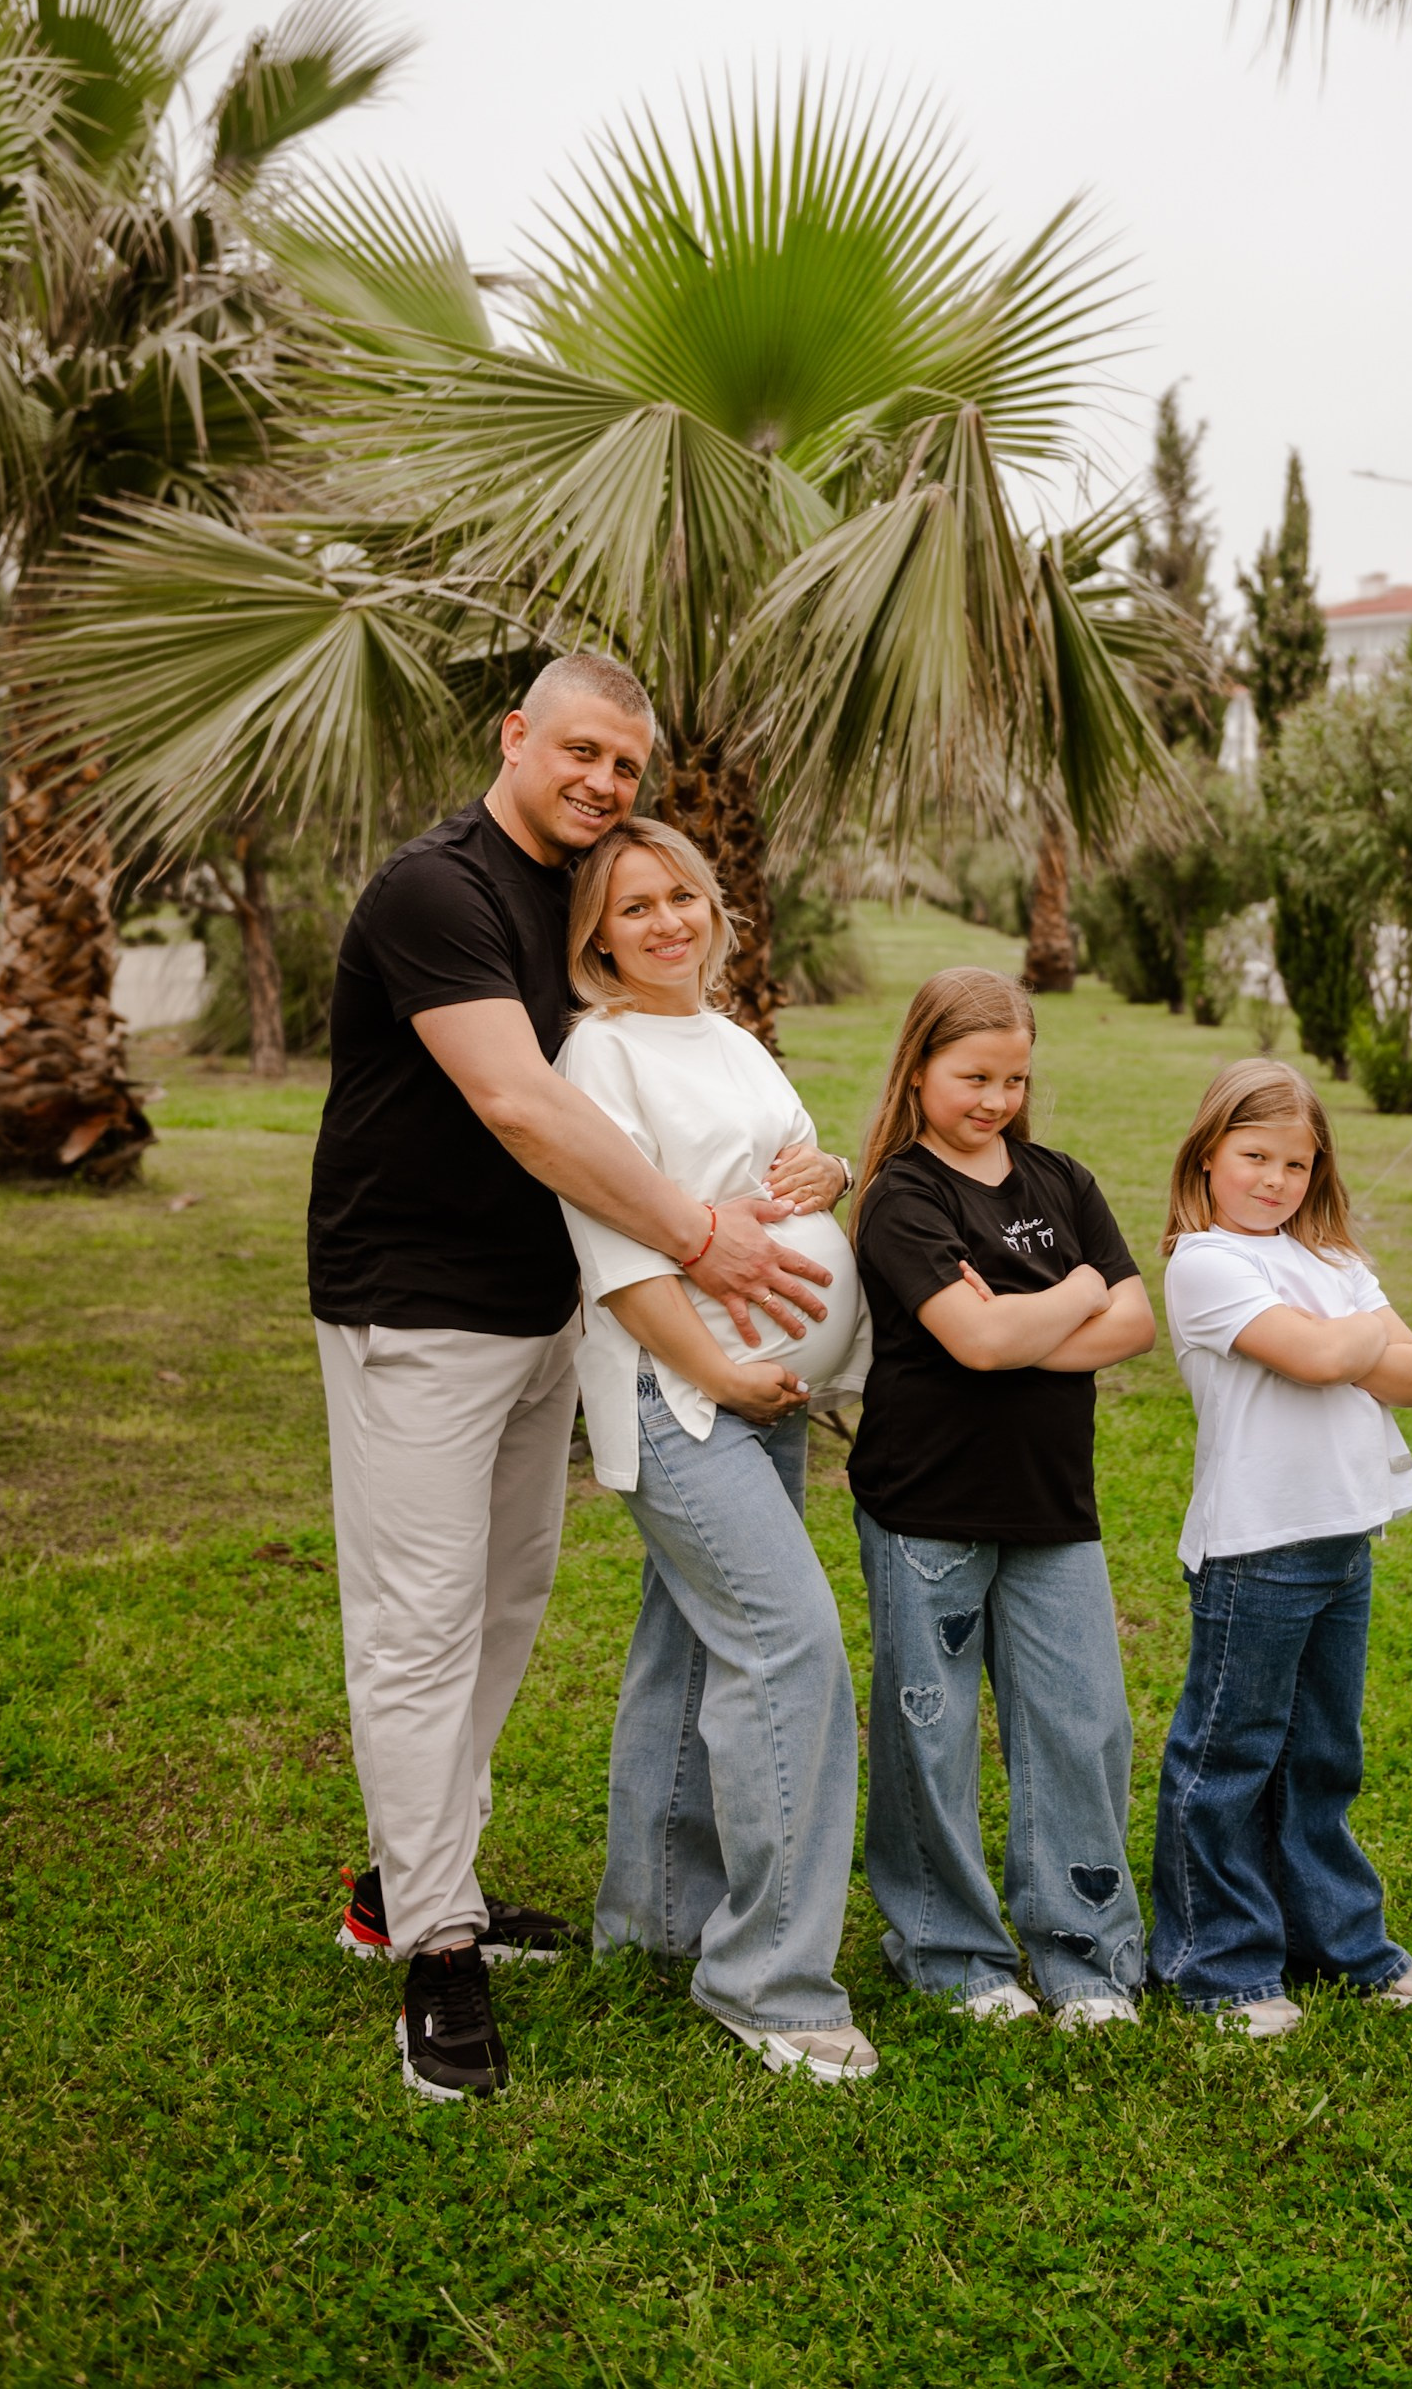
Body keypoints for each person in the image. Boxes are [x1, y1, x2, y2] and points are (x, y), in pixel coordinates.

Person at [308, 651, 832, 2102]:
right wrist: (704, 1238)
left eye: (627, 767)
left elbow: (657, 1070)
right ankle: (435, 1951)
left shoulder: (582, 890)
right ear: (517, 735)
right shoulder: (441, 888)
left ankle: (399, 1881)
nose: (606, 785)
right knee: (417, 1625)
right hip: (413, 1307)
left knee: (500, 1608)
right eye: (583, 752)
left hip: (547, 1312)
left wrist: (802, 1169)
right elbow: (518, 1099)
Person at [556, 816, 877, 2084]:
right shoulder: (600, 1053)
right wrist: (720, 1372)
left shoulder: (732, 1038)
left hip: (762, 1386)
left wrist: (835, 1167)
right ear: (596, 936)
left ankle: (655, 1921)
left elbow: (795, 1171)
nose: (667, 923)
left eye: (681, 897)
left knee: (691, 1646)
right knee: (790, 1649)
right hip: (678, 1394)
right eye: (634, 908)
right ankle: (772, 1984)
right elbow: (617, 1249)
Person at [847, 967, 1156, 2027]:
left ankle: (1084, 1956)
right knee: (927, 1727)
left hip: (1051, 1502)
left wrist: (1030, 1317)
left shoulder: (1059, 1180)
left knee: (1084, 1724)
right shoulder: (902, 1195)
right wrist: (1073, 1292)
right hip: (927, 1502)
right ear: (921, 1067)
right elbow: (975, 1343)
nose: (995, 1099)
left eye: (1014, 1078)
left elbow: (1136, 1323)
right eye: (974, 1076)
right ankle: (950, 1952)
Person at [1149, 1059, 1412, 2037]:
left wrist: (1345, 1334)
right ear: (1208, 1156)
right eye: (1254, 1157)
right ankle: (1216, 1962)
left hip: (1340, 1535)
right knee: (1229, 1752)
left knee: (1322, 1753)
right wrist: (1357, 1336)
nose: (1275, 1181)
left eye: (1297, 1164)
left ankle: (1335, 1936)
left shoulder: (1329, 1264)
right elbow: (1332, 1358)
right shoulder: (1205, 1262)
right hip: (1256, 1546)